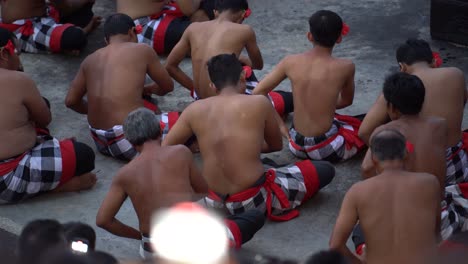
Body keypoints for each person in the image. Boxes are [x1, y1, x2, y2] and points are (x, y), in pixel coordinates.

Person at [163, 54, 335, 221]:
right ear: (243, 77)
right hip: (250, 200)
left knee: (269, 166)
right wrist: (247, 146)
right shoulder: (259, 102)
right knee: (325, 169)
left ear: (212, 86)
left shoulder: (194, 109)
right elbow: (276, 146)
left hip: (212, 201)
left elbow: (165, 148)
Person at [96, 108, 265, 259]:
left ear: (130, 141)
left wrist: (139, 236)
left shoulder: (124, 174)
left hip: (153, 250)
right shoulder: (181, 152)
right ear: (161, 130)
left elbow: (103, 220)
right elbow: (202, 191)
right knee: (254, 217)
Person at [253, 10, 364, 162]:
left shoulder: (290, 61)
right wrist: (323, 105)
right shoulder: (346, 66)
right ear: (339, 38)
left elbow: (258, 92)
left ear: (309, 36)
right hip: (326, 148)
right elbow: (346, 101)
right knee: (365, 126)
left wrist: (280, 125)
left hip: (295, 144)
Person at [0, 29, 96, 204]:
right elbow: (45, 119)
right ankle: (54, 188)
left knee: (36, 106)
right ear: (4, 53)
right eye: (17, 53)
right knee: (83, 155)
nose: (19, 59)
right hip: (7, 177)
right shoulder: (18, 80)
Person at [65, 13, 177, 161]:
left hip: (101, 142)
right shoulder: (142, 50)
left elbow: (71, 101)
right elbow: (167, 86)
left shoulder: (89, 60)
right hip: (132, 140)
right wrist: (150, 89)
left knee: (147, 106)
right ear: (132, 32)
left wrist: (94, 108)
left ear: (106, 40)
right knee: (190, 120)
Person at [359, 39, 468, 186]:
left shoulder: (396, 91)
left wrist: (389, 154)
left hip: (411, 173)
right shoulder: (456, 75)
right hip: (456, 167)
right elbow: (462, 102)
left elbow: (364, 132)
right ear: (434, 61)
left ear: (402, 67)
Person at [329, 129, 441, 264]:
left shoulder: (357, 191)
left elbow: (335, 245)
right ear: (406, 154)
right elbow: (435, 235)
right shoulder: (430, 183)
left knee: (361, 229)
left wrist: (360, 262)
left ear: (374, 159)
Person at [166, 0, 293, 117]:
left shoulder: (192, 28)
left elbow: (170, 66)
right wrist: (243, 59)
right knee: (290, 99)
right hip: (226, 106)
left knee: (236, 67)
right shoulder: (244, 30)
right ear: (243, 14)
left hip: (200, 100)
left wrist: (195, 88)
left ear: (215, 12)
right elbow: (258, 65)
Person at [361, 73, 447, 197]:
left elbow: (366, 168)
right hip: (438, 207)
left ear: (392, 108)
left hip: (404, 210)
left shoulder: (384, 131)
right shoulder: (441, 125)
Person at [117, 0, 217, 55]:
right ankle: (193, 42)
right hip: (139, 28)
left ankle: (193, 39)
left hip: (157, 13)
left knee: (215, 6)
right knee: (211, 33)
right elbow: (189, 9)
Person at [0, 0, 101, 54]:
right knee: (75, 37)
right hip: (24, 30)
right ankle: (65, 45)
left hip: (31, 17)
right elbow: (66, 7)